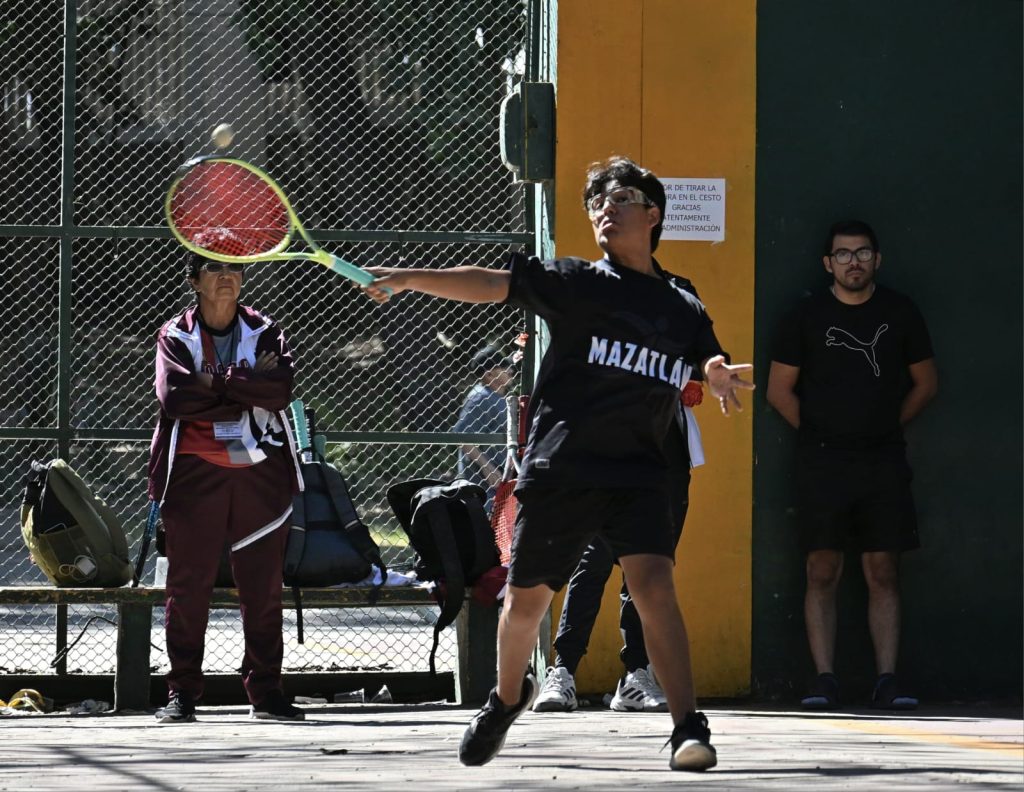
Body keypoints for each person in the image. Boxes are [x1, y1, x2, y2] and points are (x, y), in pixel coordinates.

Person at [361, 156, 754, 772]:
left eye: (619, 200)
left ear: (652, 216)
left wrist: (718, 372)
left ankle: (687, 728)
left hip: (642, 472)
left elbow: (706, 354)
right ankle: (502, 700)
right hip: (564, 468)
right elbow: (493, 282)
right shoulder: (577, 281)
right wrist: (411, 278)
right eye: (597, 203)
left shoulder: (680, 298)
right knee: (525, 603)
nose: (604, 210)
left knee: (654, 587)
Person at [765, 219, 937, 711]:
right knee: (822, 569)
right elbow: (779, 392)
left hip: (883, 461)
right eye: (843, 254)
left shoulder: (900, 311)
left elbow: (926, 384)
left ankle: (888, 680)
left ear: (877, 260)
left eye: (862, 253)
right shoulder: (805, 316)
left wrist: (882, 429)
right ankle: (825, 680)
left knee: (883, 569)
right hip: (820, 464)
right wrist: (826, 434)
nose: (853, 262)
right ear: (828, 264)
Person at [147, 251, 306, 724]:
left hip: (260, 474)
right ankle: (182, 693)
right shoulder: (175, 335)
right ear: (194, 280)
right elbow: (176, 398)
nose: (226, 278)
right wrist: (245, 384)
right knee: (188, 585)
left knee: (262, 587)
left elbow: (280, 390)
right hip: (194, 477)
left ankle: (266, 692)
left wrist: (216, 383)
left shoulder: (266, 330)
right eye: (215, 269)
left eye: (235, 270)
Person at [533, 305, 707, 715]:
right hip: (603, 463)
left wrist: (697, 376)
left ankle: (636, 675)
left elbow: (701, 366)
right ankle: (563, 672)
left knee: (646, 571)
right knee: (592, 562)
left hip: (664, 464)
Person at [453, 345, 518, 508]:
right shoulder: (480, 398)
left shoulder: (496, 396)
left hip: (499, 480)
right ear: (489, 375)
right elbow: (462, 436)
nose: (510, 370)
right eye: (503, 367)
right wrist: (487, 468)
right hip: (483, 484)